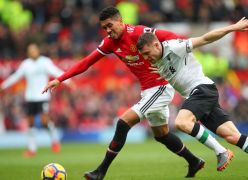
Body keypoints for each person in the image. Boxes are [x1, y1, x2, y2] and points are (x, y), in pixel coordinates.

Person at [42, 7, 233, 180]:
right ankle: (194, 161)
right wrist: (61, 78)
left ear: (120, 21)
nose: (108, 30)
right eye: (104, 27)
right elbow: (87, 61)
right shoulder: (109, 42)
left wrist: (172, 57)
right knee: (162, 135)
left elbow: (172, 36)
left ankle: (101, 171)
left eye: (110, 25)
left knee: (123, 122)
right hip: (147, 91)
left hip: (160, 87)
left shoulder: (139, 33)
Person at [136, 17, 248, 178]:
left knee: (182, 122)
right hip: (203, 95)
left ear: (155, 44)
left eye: (147, 53)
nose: (147, 58)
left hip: (202, 90)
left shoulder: (174, 46)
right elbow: (175, 71)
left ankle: (221, 152)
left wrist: (233, 27)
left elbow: (205, 38)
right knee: (232, 136)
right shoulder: (158, 61)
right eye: (144, 55)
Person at [0, 43, 65, 157]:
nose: (32, 52)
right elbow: (16, 76)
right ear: (28, 52)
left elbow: (56, 71)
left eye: (34, 50)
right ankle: (32, 149)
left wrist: (68, 80)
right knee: (30, 123)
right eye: (30, 50)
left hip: (43, 96)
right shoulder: (25, 64)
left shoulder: (45, 62)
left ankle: (54, 141)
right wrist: (4, 85)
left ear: (38, 51)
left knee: (44, 121)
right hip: (30, 97)